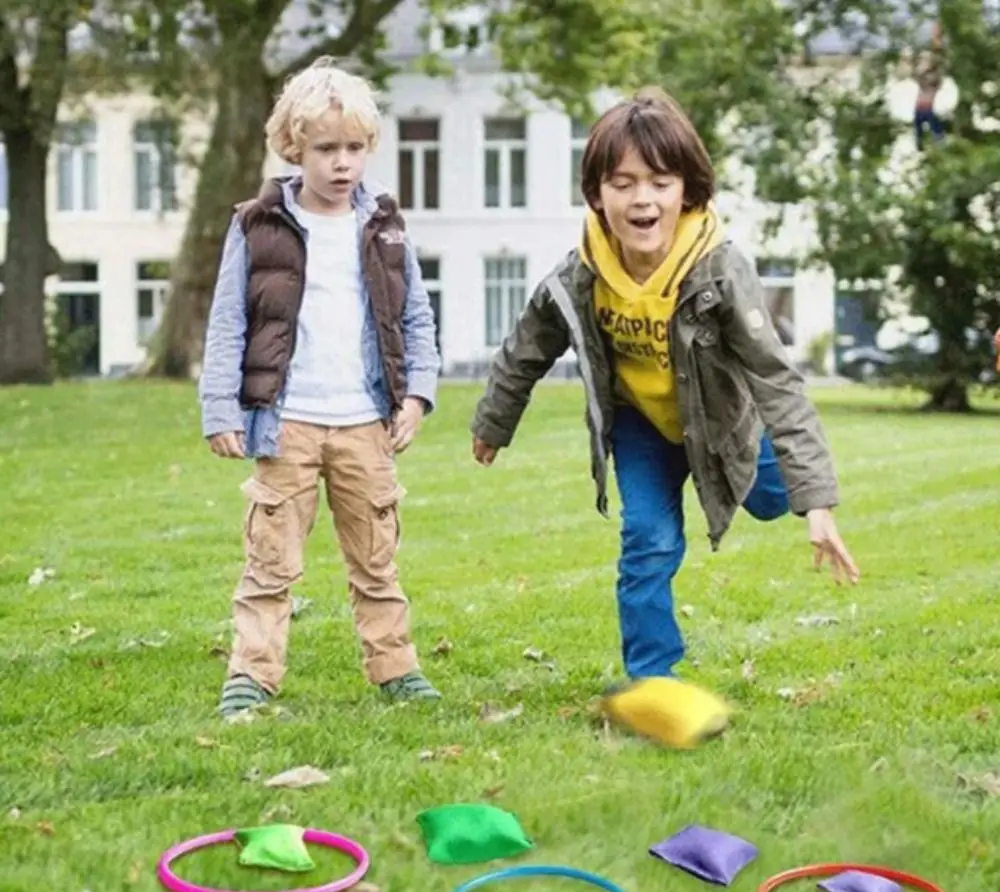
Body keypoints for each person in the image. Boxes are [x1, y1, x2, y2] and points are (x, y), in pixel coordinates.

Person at [470, 87, 860, 682]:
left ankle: (781, 487)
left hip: (724, 419)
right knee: (647, 541)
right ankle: (653, 679)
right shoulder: (580, 274)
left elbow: (775, 379)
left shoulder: (719, 270)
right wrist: (494, 422)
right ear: (598, 195)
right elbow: (527, 347)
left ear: (688, 191)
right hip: (642, 426)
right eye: (622, 183)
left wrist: (818, 502)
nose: (641, 198)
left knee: (772, 500)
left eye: (659, 181)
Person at [198, 58, 442, 717]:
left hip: (366, 421)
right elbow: (228, 319)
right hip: (287, 421)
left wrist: (417, 395)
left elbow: (416, 315)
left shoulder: (385, 227)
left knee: (376, 560)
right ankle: (251, 675)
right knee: (270, 561)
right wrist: (221, 407)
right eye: (326, 148)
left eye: (354, 148)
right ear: (294, 147)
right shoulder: (257, 224)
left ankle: (397, 669)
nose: (342, 163)